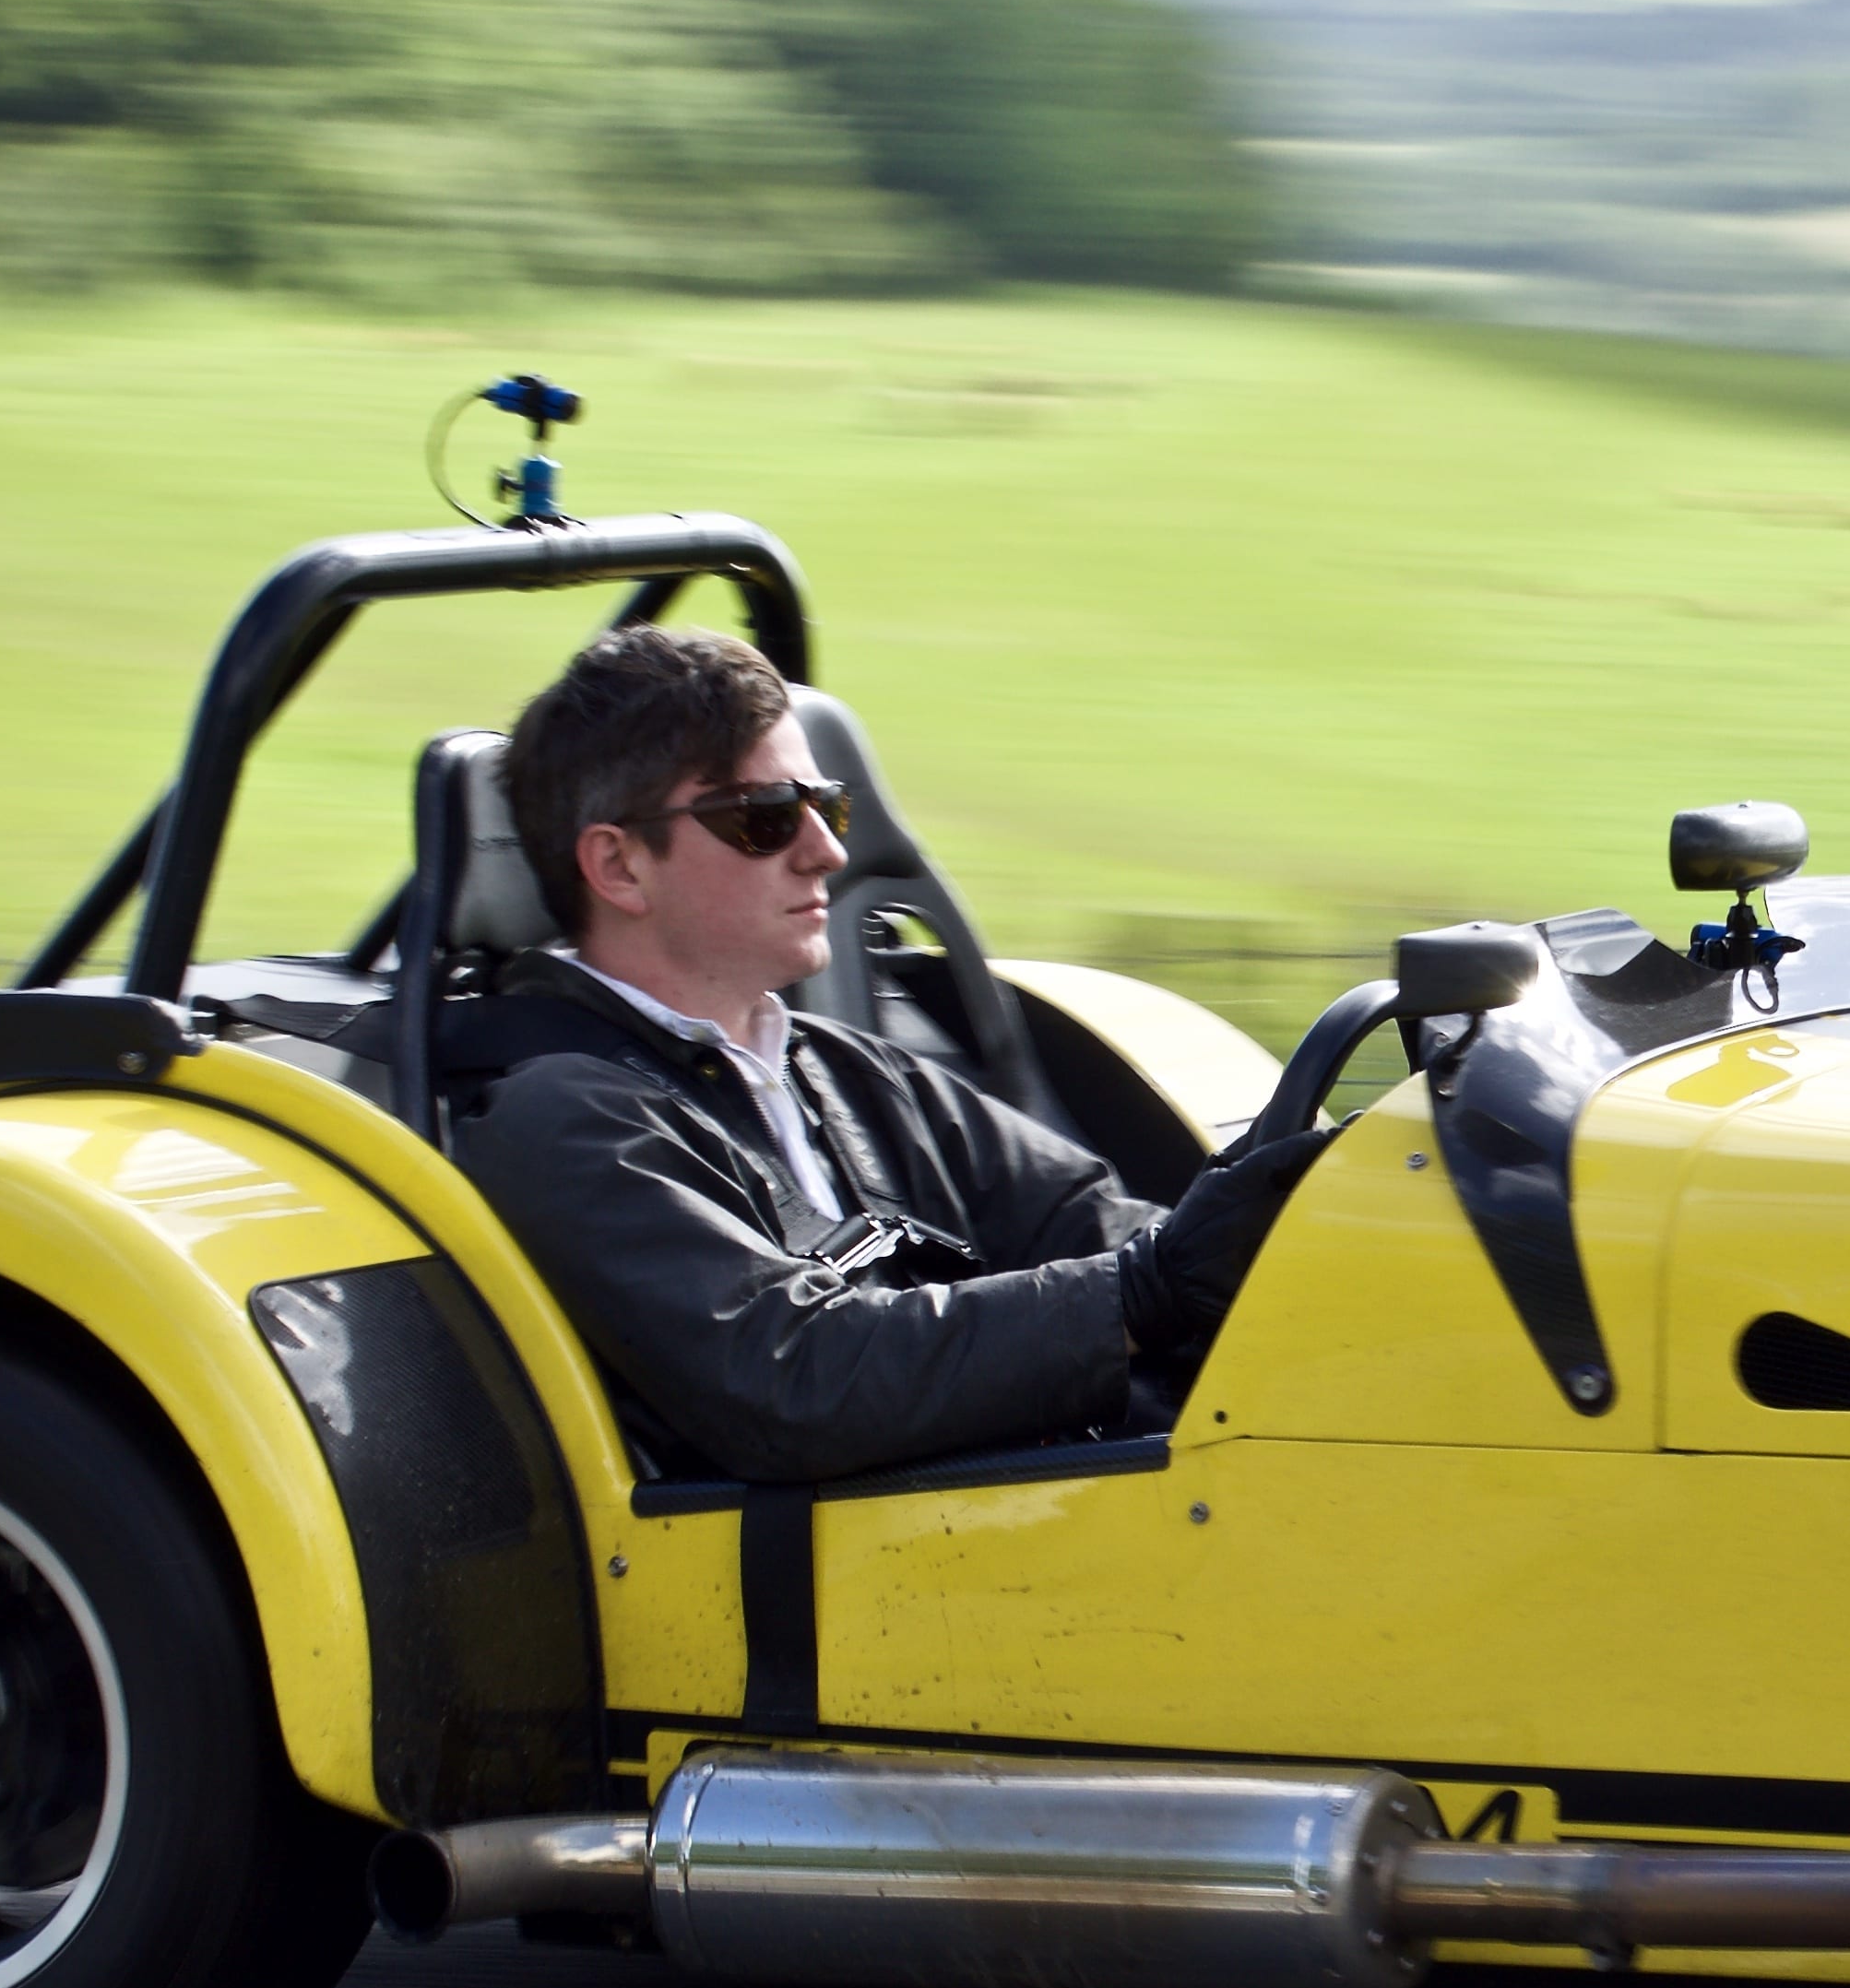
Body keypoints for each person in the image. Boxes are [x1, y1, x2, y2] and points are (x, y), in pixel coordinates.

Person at [438, 623, 1329, 1483]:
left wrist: (1267, 1254)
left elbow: (1091, 1227)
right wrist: (1144, 1290)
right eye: (766, 819)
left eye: (827, 805)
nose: (826, 851)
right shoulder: (564, 1121)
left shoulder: (852, 1072)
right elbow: (796, 1380)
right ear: (621, 868)